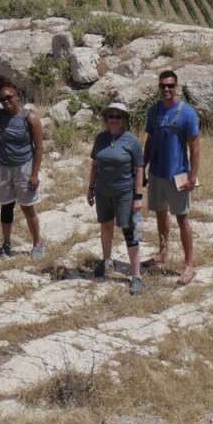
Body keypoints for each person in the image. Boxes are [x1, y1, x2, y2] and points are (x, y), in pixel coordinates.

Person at [143, 70, 200, 286]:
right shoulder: (153, 112)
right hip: (157, 173)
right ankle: (163, 252)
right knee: (160, 212)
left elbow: (195, 147)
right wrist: (143, 167)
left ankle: (188, 265)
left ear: (177, 87)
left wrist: (192, 177)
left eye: (170, 86)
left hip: (178, 174)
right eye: (163, 86)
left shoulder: (188, 114)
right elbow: (149, 140)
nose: (166, 89)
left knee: (182, 217)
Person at [87, 102, 145, 294]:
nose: (113, 120)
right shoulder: (101, 138)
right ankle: (107, 261)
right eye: (110, 116)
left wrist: (138, 197)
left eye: (118, 117)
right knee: (106, 225)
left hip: (125, 193)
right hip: (103, 192)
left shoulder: (131, 141)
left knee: (130, 231)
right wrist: (90, 188)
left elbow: (139, 170)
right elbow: (95, 164)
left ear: (124, 120)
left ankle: (136, 275)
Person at [0, 75, 45, 258]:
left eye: (8, 98)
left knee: (27, 207)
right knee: (6, 206)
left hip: (24, 167)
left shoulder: (30, 117)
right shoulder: (0, 115)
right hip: (3, 167)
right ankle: (6, 243)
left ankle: (37, 244)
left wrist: (34, 175)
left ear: (17, 96)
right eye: (2, 99)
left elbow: (39, 148)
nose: (5, 102)